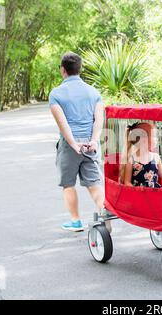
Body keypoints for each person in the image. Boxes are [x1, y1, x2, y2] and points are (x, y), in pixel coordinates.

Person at [49, 52, 104, 232]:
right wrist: (94, 141)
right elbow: (98, 119)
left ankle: (75, 221)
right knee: (94, 183)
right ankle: (104, 214)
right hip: (90, 144)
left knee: (68, 183)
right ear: (79, 70)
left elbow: (62, 123)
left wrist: (73, 144)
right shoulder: (93, 92)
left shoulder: (56, 94)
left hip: (70, 145)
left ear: (62, 70)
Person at [119, 122, 162, 188]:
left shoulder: (156, 157)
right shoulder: (132, 159)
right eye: (153, 136)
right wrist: (136, 190)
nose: (156, 139)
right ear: (143, 140)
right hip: (138, 196)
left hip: (154, 194)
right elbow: (127, 182)